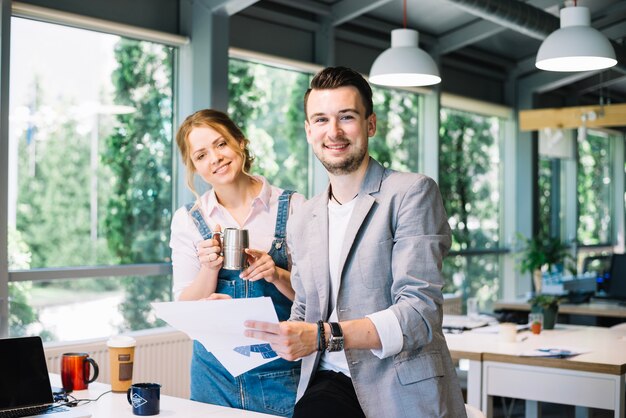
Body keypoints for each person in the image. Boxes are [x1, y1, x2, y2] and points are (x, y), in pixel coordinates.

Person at [244, 67, 467, 417]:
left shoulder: (411, 193)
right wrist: (250, 325)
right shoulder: (304, 216)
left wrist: (321, 335)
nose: (333, 132)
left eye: (346, 117)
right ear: (308, 130)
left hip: (398, 386)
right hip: (327, 384)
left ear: (371, 124)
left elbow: (419, 314)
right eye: (320, 120)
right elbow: (305, 310)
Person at [170, 109, 304, 417]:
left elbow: (315, 302)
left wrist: (276, 274)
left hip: (280, 375)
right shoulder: (189, 220)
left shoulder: (294, 207)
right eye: (201, 155)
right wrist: (210, 268)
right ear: (195, 167)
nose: (215, 158)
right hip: (212, 379)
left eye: (221, 144)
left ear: (240, 143)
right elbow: (185, 305)